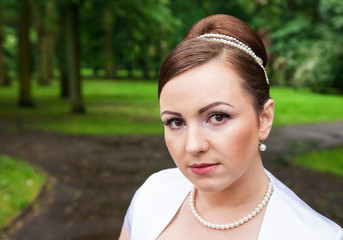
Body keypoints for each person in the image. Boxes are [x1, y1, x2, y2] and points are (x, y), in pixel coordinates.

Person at [119, 14, 343, 240]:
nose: (193, 146)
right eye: (176, 122)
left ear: (264, 118)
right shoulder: (151, 196)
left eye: (217, 117)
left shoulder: (316, 235)